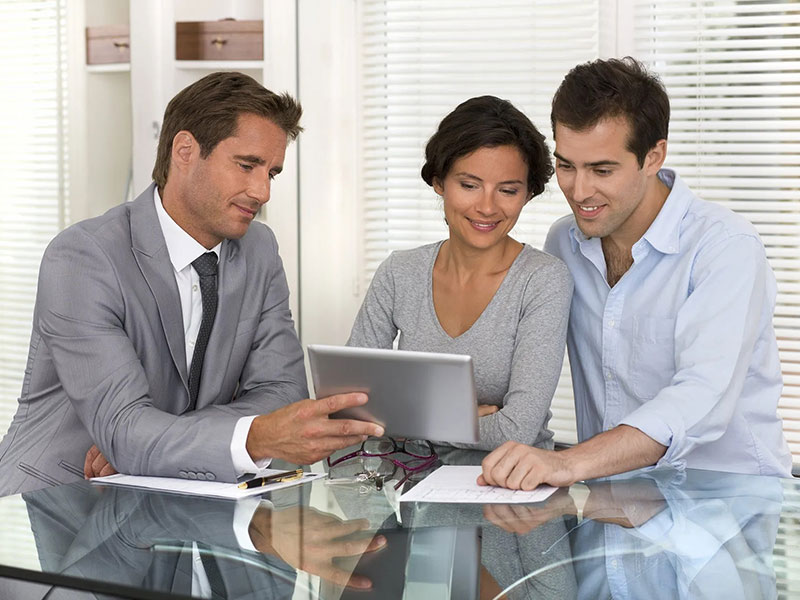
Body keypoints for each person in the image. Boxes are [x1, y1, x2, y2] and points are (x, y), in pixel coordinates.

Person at [0, 72, 383, 496]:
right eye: (246, 165)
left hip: (176, 496)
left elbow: (281, 392)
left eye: (271, 173)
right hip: (61, 504)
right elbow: (124, 428)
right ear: (185, 151)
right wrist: (246, 437)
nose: (262, 192)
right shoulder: (84, 258)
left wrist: (152, 441)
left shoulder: (258, 249)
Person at [480, 57, 792, 490]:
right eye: (567, 166)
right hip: (613, 502)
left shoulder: (724, 247)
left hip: (725, 508)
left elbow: (701, 395)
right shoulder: (563, 245)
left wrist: (568, 464)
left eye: (602, 170)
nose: (579, 191)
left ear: (653, 156)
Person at [348, 95, 573, 451]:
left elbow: (517, 430)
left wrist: (406, 422)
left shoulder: (542, 280)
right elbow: (352, 404)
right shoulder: (399, 272)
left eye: (508, 190)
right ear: (439, 182)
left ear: (528, 194)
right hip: (409, 485)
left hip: (511, 487)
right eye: (469, 185)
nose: (486, 207)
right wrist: (455, 420)